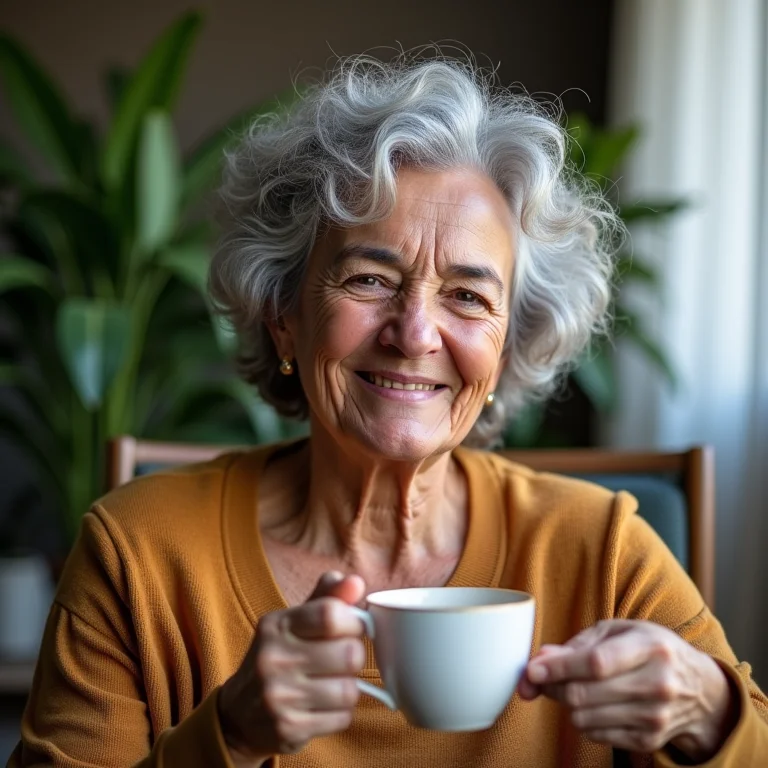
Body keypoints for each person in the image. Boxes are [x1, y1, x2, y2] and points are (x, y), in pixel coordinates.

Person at [9, 53, 768, 768]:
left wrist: (705, 711)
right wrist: (229, 736)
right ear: (283, 315)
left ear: (507, 349)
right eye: (370, 278)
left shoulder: (599, 551)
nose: (414, 334)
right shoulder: (140, 554)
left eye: (468, 297)